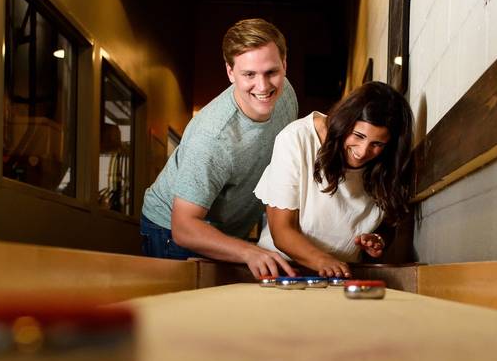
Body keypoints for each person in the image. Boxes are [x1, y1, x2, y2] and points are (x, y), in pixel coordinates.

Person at [140, 18, 298, 278]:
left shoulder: (286, 93)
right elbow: (184, 226)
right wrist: (249, 251)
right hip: (171, 229)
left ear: (284, 65)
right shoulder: (212, 137)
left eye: (271, 72)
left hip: (224, 227)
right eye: (249, 74)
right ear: (230, 72)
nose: (263, 86)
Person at [254, 81, 414, 278]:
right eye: (358, 135)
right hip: (281, 270)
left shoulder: (388, 162)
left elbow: (386, 223)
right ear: (345, 122)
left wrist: (378, 239)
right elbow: (282, 232)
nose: (363, 151)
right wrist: (324, 261)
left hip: (342, 275)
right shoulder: (296, 138)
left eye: (377, 144)